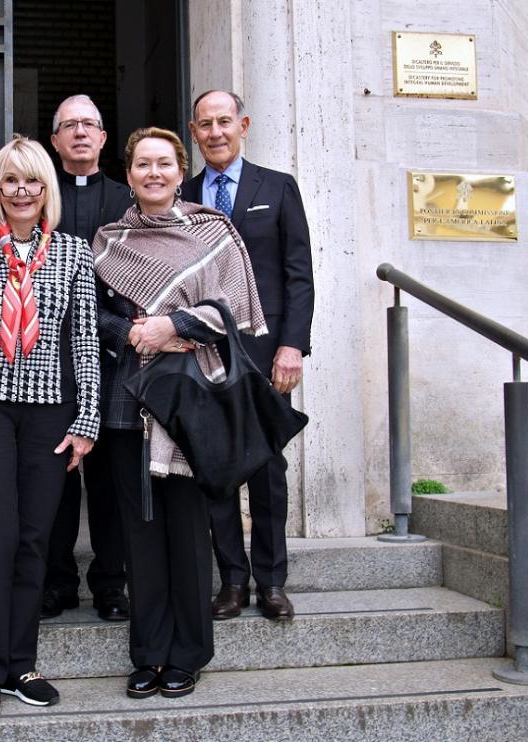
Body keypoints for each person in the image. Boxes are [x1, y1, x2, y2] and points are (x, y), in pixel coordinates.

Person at [91, 127, 267, 700]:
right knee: (139, 533)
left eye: (164, 164)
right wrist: (134, 332)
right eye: (143, 164)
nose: (154, 173)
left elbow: (233, 310)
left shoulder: (214, 233)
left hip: (192, 400)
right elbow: (91, 313)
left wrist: (174, 325)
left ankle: (189, 654)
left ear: (180, 171)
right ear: (129, 173)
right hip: (129, 399)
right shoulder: (108, 241)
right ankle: (149, 654)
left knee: (189, 531)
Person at [0, 136, 100, 719]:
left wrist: (87, 419)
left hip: (50, 410)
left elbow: (83, 339)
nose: (22, 190)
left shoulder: (74, 253)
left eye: (32, 180)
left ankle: (21, 663)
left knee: (35, 537)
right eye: (10, 180)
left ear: (46, 188)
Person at [186, 90, 315, 622]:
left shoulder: (277, 187)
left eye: (224, 122)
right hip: (202, 353)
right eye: (205, 124)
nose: (215, 132)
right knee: (214, 467)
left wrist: (293, 344)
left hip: (266, 353)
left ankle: (272, 581)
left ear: (244, 125)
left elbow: (298, 273)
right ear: (194, 132)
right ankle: (232, 581)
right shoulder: (182, 193)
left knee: (266, 468)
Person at [42, 94, 133, 622]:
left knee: (108, 479)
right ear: (54, 140)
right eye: (69, 125)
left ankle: (110, 583)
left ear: (102, 137)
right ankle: (56, 582)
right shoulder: (38, 195)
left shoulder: (127, 199)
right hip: (49, 359)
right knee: (55, 475)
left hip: (114, 359)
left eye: (89, 125)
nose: (79, 133)